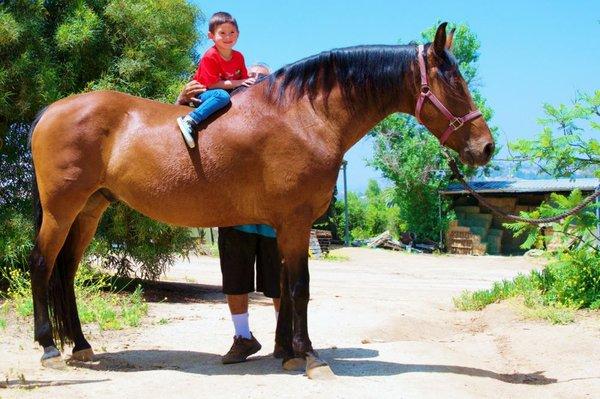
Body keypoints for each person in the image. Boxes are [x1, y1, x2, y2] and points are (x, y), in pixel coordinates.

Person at [176, 11, 255, 149]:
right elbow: (212, 85)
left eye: (232, 32)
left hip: (226, 92)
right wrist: (239, 82)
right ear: (211, 36)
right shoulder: (210, 56)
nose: (228, 36)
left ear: (238, 33)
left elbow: (244, 80)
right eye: (222, 33)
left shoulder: (239, 57)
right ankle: (190, 120)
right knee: (222, 95)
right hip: (204, 93)